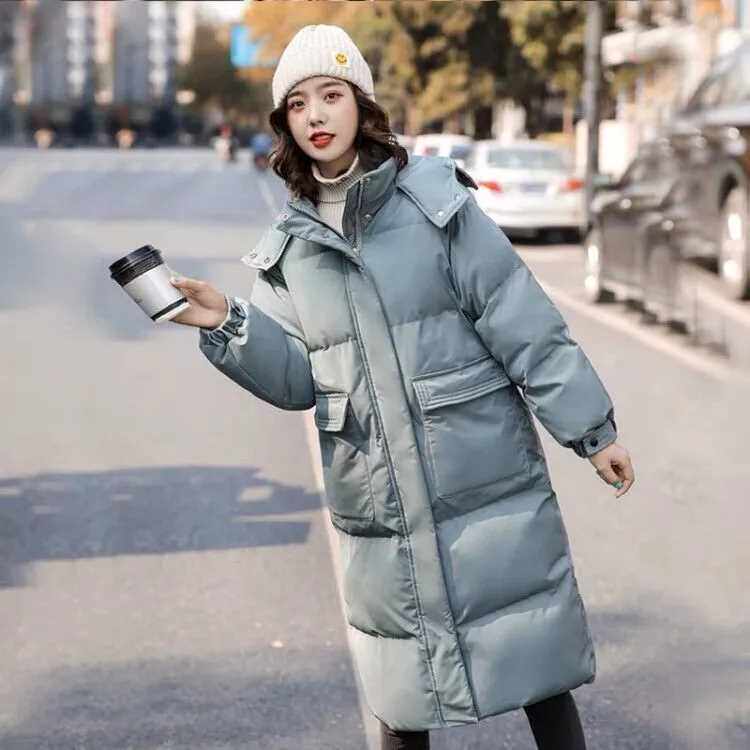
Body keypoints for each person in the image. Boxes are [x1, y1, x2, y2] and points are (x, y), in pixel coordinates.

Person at [168, 24, 635, 750]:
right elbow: (296, 380)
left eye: (331, 95)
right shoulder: (288, 250)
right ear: (286, 124)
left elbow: (522, 321)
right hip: (378, 499)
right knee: (403, 694)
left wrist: (592, 432)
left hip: (482, 474)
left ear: (361, 104)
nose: (316, 115)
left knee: (537, 663)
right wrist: (226, 321)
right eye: (298, 104)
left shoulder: (433, 203)